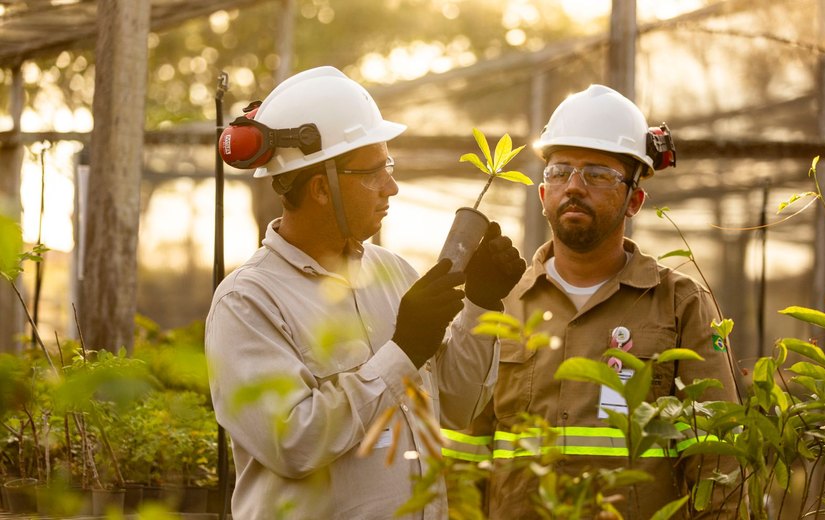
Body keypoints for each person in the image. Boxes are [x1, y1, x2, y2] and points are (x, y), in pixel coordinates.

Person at [205, 66, 526, 520]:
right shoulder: (248, 301)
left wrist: (480, 305)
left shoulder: (393, 273)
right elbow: (294, 443)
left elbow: (455, 408)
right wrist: (401, 351)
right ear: (321, 188)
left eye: (389, 167)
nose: (391, 187)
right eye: (375, 172)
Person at [448, 84, 741, 519]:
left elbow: (718, 464)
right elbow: (465, 456)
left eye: (598, 174)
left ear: (634, 200)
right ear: (543, 194)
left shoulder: (680, 305)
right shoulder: (498, 302)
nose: (575, 187)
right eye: (560, 171)